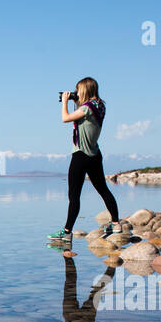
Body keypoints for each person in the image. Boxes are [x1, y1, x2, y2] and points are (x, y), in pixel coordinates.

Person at [48, 77, 120, 246]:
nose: (76, 92)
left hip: (80, 156)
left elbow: (65, 118)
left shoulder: (87, 108)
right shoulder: (100, 106)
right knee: (103, 190)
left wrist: (65, 101)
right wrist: (76, 100)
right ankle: (116, 224)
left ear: (86, 90)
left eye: (78, 90)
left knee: (74, 196)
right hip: (95, 155)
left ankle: (66, 233)